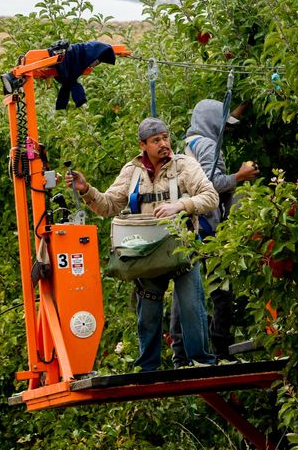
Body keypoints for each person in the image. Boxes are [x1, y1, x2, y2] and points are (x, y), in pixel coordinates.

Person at [66, 116, 219, 371]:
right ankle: (147, 368)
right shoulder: (132, 171)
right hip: (147, 252)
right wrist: (86, 190)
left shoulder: (184, 166)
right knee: (147, 314)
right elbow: (109, 205)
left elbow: (210, 196)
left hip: (182, 248)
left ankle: (201, 363)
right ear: (143, 145)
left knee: (192, 308)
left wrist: (181, 205)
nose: (163, 144)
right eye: (155, 140)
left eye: (165, 138)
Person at [171, 99, 259, 363]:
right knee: (221, 291)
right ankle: (221, 350)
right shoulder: (208, 145)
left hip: (191, 226)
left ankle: (181, 353)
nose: (225, 130)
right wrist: (240, 177)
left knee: (188, 289)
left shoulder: (190, 146)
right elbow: (211, 185)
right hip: (207, 227)